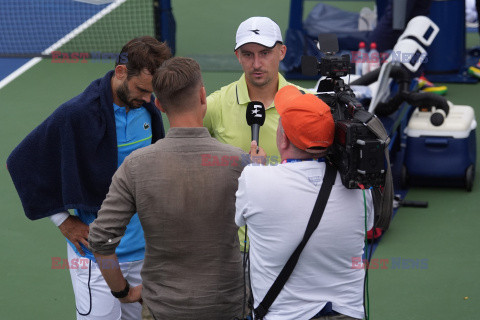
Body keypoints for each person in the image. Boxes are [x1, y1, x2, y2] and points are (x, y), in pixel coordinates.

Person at [7, 36, 171, 319]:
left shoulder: (147, 109)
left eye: (152, 92)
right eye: (142, 90)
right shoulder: (76, 114)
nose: (148, 98)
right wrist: (64, 221)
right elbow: (22, 163)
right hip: (98, 260)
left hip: (145, 256)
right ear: (121, 73)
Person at [88, 57, 253, 320]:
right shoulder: (239, 162)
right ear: (202, 96)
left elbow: (100, 240)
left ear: (159, 105)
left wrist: (124, 293)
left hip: (162, 309)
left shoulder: (136, 166)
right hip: (227, 306)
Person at [235, 85, 374, 320]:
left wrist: (255, 168)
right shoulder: (360, 189)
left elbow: (235, 220)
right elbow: (369, 225)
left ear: (284, 139)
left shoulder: (255, 180)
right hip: (347, 313)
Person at [204, 16, 301, 252]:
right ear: (238, 56)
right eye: (248, 54)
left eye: (265, 53)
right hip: (232, 249)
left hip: (291, 243)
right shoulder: (215, 105)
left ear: (282, 52)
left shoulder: (304, 104)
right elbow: (182, 149)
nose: (256, 64)